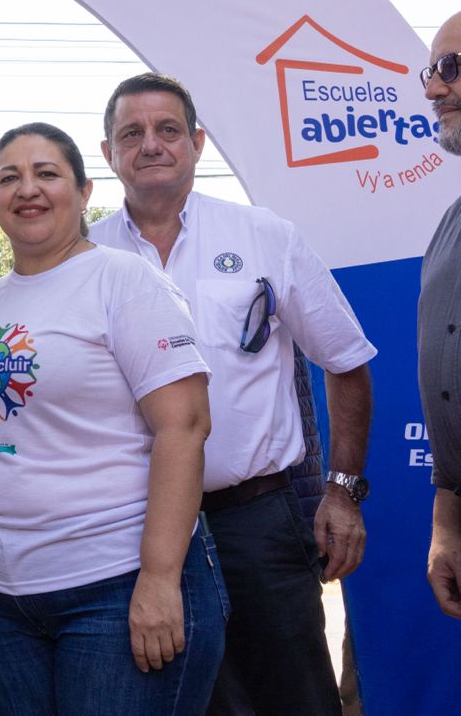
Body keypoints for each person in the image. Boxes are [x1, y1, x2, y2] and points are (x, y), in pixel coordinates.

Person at [92, 73, 376, 716]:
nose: (151, 145)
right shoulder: (86, 256)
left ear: (196, 143)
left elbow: (347, 362)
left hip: (258, 521)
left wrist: (342, 489)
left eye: (168, 130)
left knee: (295, 699)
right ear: (108, 153)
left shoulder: (265, 236)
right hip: (129, 530)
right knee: (176, 702)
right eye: (131, 133)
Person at [0, 122, 223, 715]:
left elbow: (184, 427)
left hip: (113, 585)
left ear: (84, 192)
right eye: (8, 177)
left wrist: (158, 579)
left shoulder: (123, 280)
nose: (27, 189)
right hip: (8, 596)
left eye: (46, 173)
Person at [419, 12, 461, 618]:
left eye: (451, 68)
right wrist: (446, 524)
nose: (432, 88)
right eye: (431, 70)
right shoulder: (449, 225)